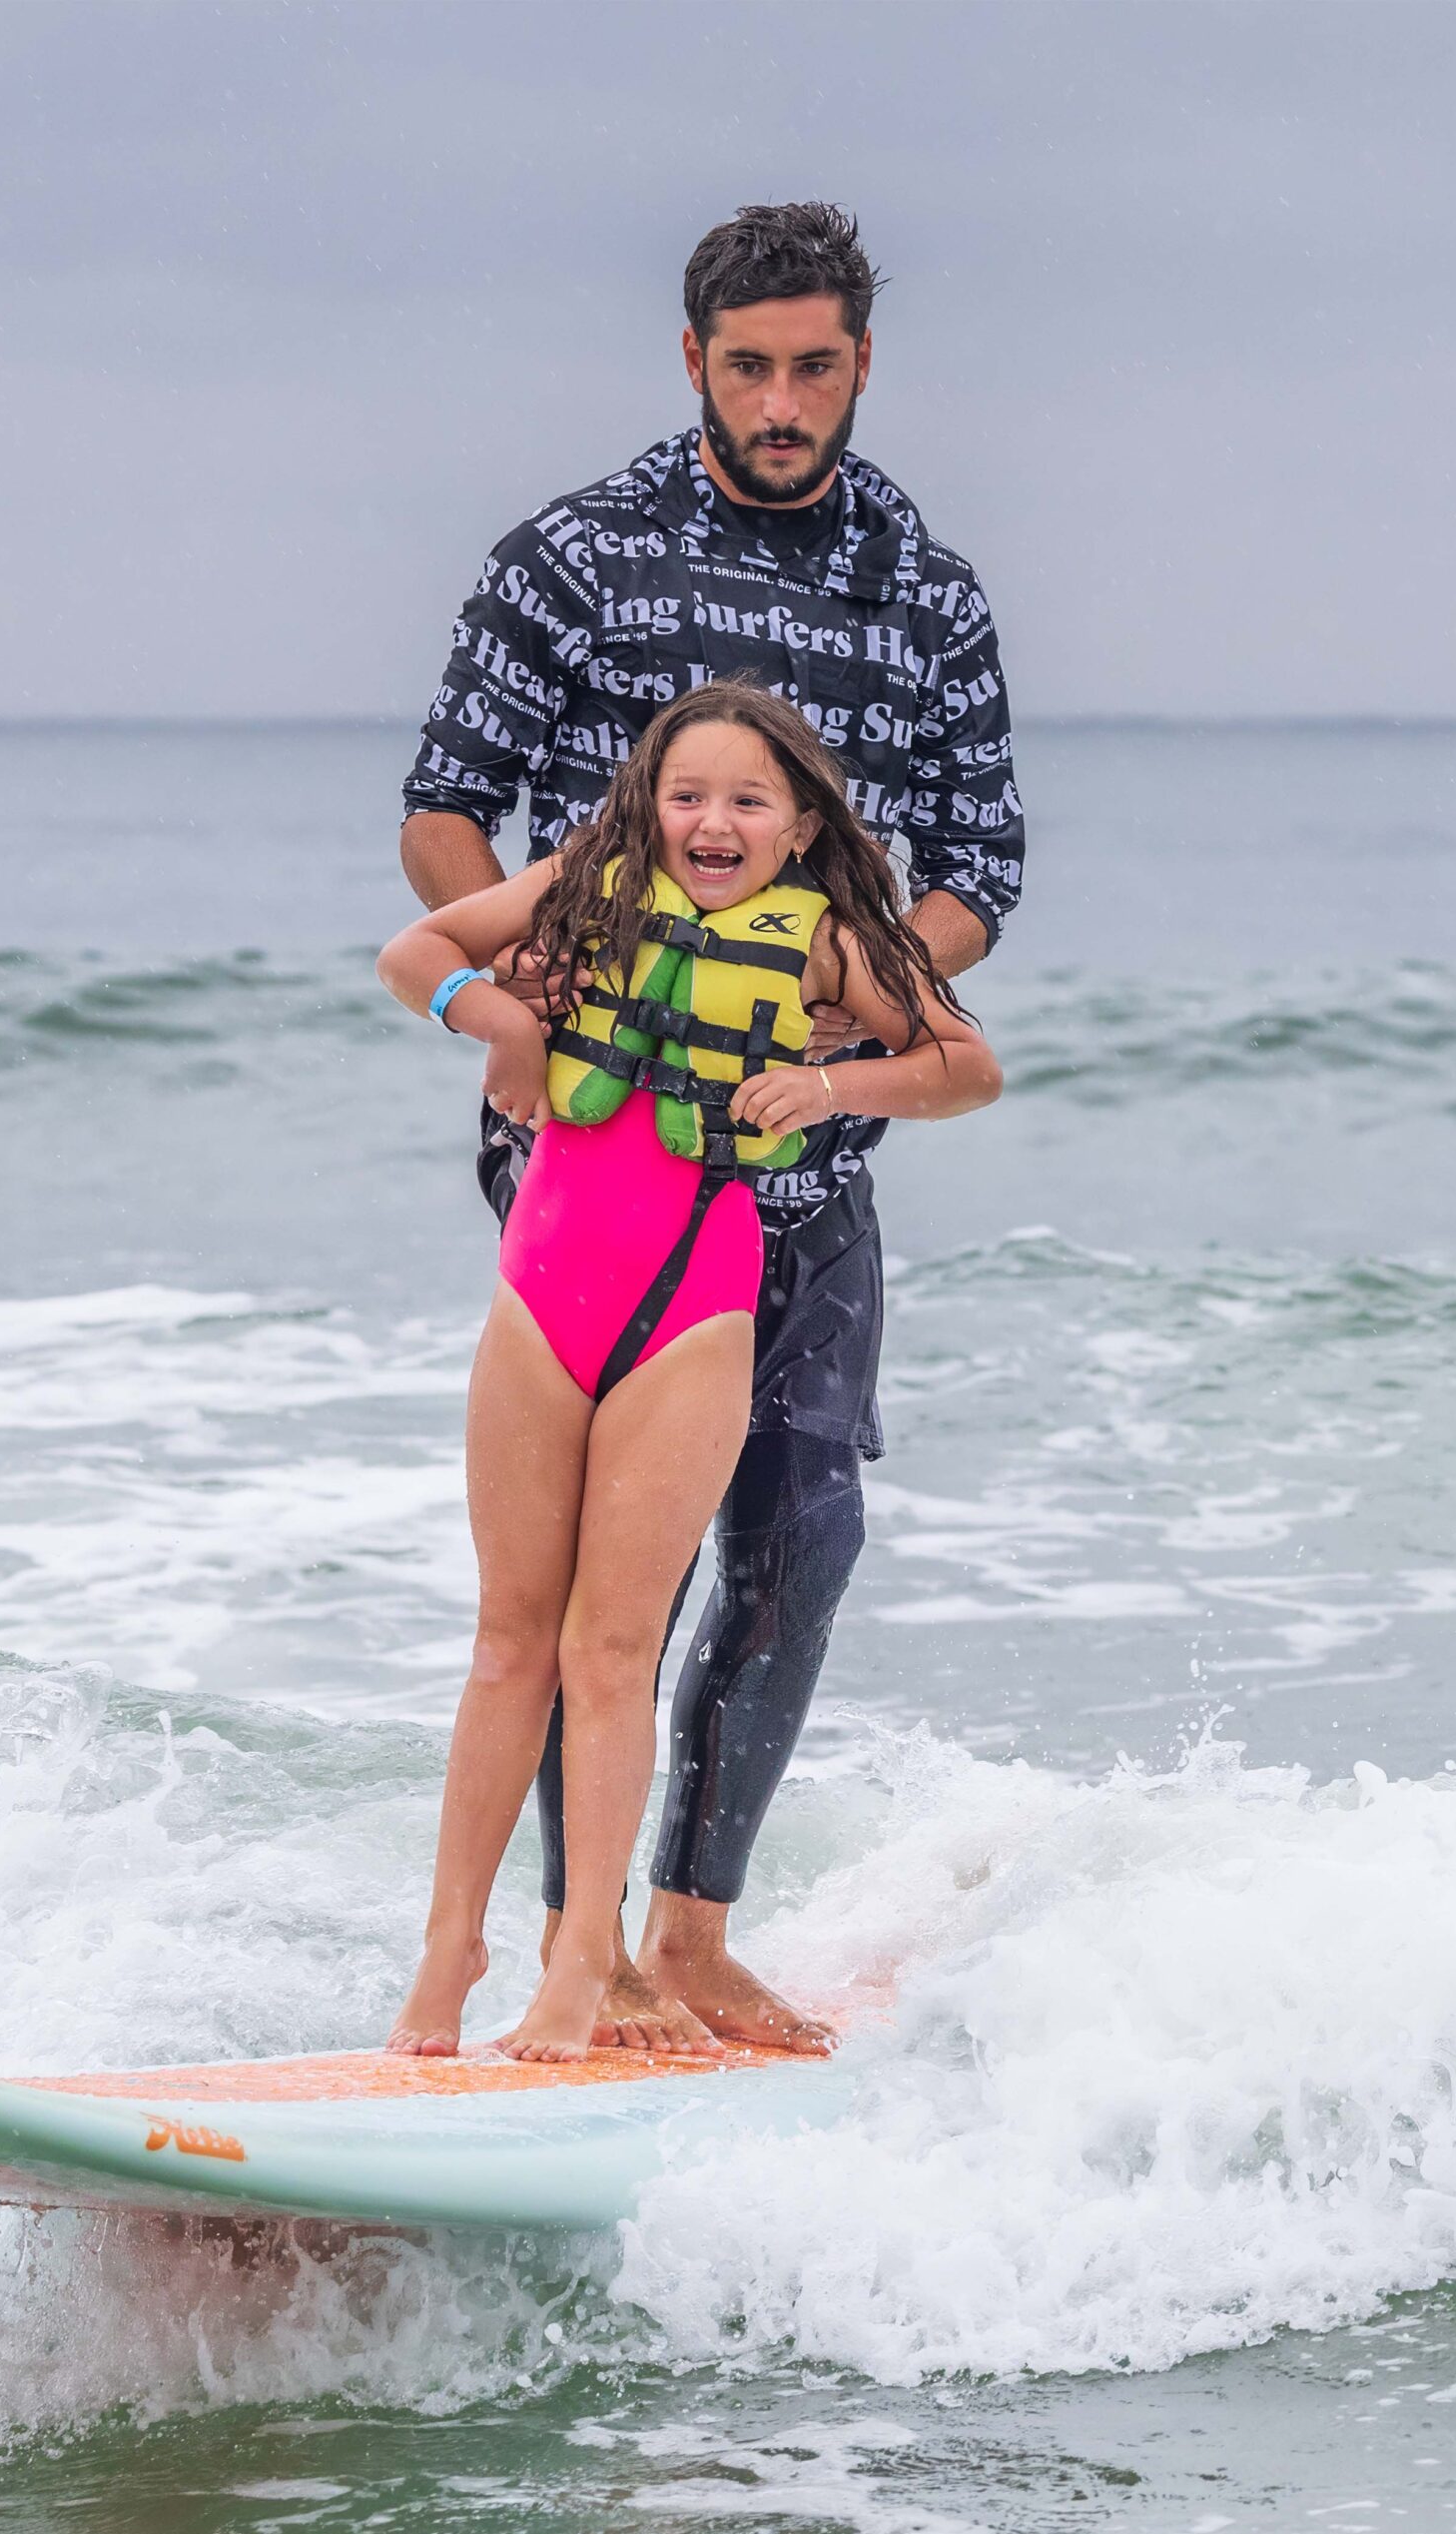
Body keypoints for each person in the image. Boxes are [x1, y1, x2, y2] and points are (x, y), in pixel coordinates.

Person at [398, 200, 1025, 2050]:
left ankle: (687, 1928)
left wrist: (854, 995)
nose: (781, 402)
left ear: (861, 363)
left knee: (804, 1525)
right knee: (600, 1575)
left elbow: (980, 866)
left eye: (814, 367)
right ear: (693, 360)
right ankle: (567, 1952)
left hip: (807, 1154)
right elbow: (446, 813)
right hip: (595, 1144)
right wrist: (518, 1020)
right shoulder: (572, 559)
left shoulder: (928, 593)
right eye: (748, 367)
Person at [378, 684, 1001, 2062]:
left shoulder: (830, 943)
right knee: (508, 1643)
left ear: (798, 827)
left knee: (608, 1654)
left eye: (748, 801)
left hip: (691, 1308)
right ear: (648, 808)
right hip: (541, 1293)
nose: (714, 822)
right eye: (688, 796)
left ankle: (581, 1965)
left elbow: (967, 1067)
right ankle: (449, 1948)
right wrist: (501, 1023)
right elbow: (413, 950)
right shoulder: (580, 890)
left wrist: (833, 1087)